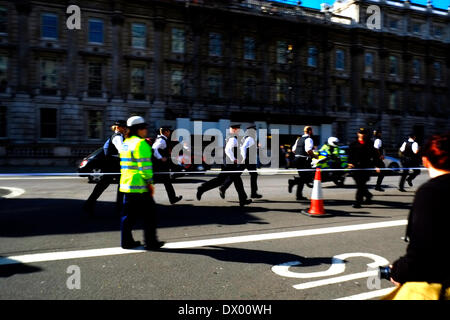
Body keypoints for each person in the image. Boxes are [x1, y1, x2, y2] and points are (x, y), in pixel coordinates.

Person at [386, 132, 450, 300]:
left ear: (426, 160)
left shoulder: (431, 192)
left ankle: (402, 183)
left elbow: (421, 252)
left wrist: (398, 271)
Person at [119, 116, 164, 250]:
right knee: (150, 215)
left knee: (128, 217)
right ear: (138, 129)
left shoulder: (126, 143)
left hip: (127, 185)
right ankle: (151, 243)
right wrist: (150, 183)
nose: (146, 130)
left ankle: (126, 242)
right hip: (140, 186)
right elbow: (145, 168)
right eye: (144, 127)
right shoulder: (141, 144)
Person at [196, 124, 252, 207]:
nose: (240, 130)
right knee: (222, 180)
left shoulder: (232, 137)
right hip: (230, 165)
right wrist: (234, 159)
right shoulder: (233, 138)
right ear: (234, 130)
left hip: (229, 164)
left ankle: (243, 200)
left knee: (236, 181)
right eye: (238, 129)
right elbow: (227, 150)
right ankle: (202, 188)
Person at [83, 120, 127, 216]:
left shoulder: (118, 136)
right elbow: (122, 150)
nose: (125, 129)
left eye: (125, 127)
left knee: (104, 185)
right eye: (123, 127)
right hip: (113, 164)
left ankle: (89, 204)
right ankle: (119, 208)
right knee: (118, 185)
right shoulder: (118, 137)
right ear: (118, 127)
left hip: (112, 164)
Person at [219, 124, 262, 199]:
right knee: (249, 175)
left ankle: (224, 187)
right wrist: (244, 158)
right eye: (254, 130)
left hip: (246, 160)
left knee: (241, 175)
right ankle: (253, 193)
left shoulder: (246, 137)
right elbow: (243, 148)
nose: (255, 132)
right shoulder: (250, 138)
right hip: (247, 160)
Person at [347, 128, 380, 208]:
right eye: (361, 133)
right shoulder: (353, 144)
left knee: (361, 185)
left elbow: (375, 156)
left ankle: (358, 202)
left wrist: (377, 166)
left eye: (364, 133)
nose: (362, 135)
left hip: (366, 167)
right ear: (358, 133)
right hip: (356, 168)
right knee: (360, 184)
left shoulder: (370, 144)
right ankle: (368, 196)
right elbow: (350, 155)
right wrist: (350, 163)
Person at [152, 127, 182, 204]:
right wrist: (161, 158)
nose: (170, 133)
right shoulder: (161, 140)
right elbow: (154, 148)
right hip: (160, 166)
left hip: (162, 166)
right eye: (169, 132)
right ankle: (141, 198)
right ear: (166, 132)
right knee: (153, 181)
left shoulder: (163, 139)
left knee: (167, 182)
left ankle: (173, 198)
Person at [288, 126, 318, 200]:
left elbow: (293, 150)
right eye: (312, 131)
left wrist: (300, 153)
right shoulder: (309, 139)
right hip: (304, 160)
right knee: (307, 177)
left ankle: (299, 195)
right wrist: (315, 156)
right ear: (310, 131)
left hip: (297, 160)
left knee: (303, 178)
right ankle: (293, 182)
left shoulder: (299, 139)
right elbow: (308, 150)